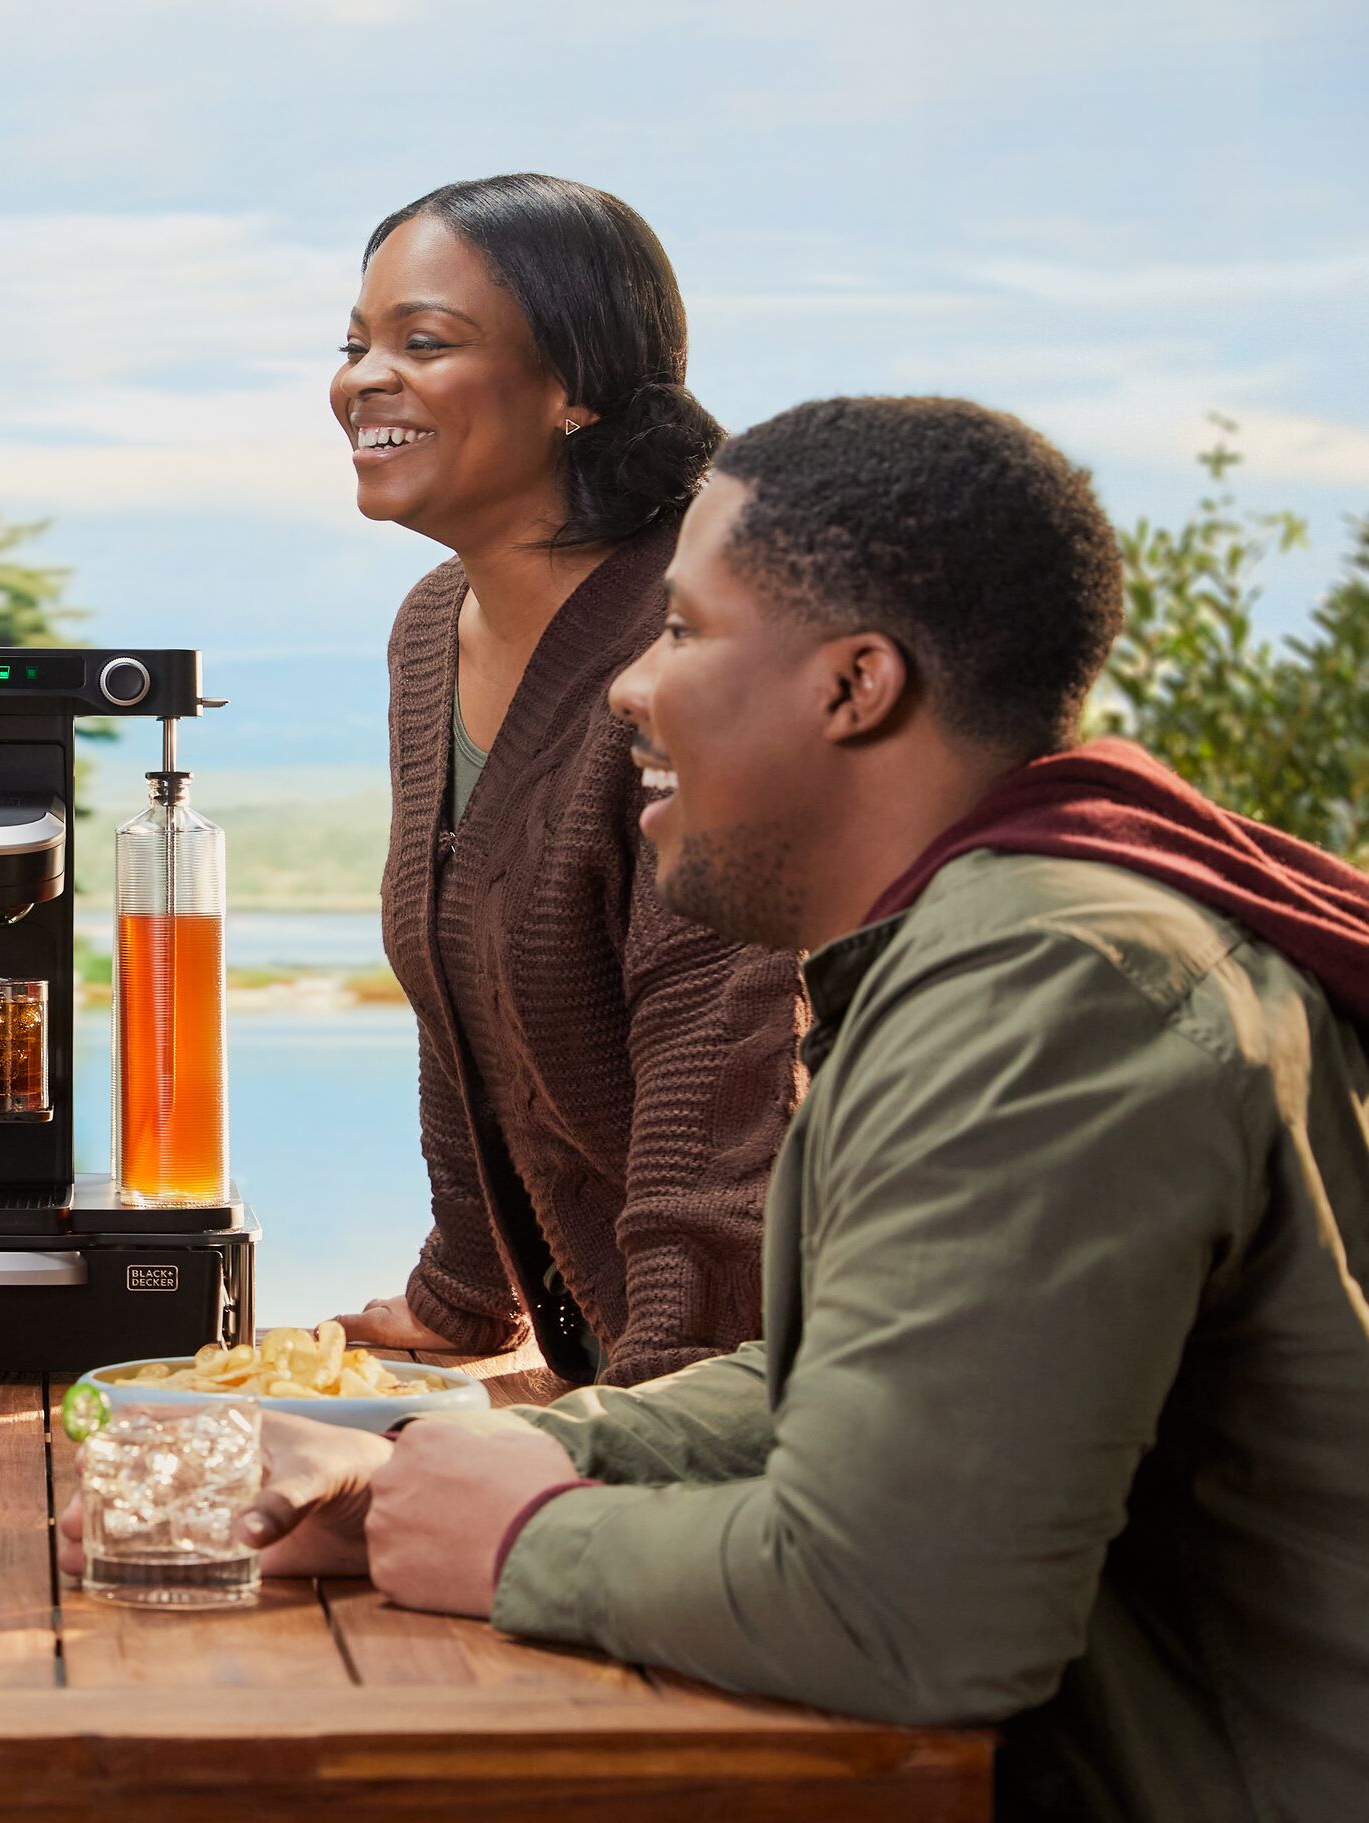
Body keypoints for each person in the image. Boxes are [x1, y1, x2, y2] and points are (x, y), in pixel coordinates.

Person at [142, 398, 1369, 1818]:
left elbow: (904, 1608)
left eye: (682, 631)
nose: (624, 687)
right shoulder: (1014, 935)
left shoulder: (1044, 987)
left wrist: (525, 1536)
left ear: (856, 685)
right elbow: (839, 1374)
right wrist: (465, 1454)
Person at [328, 173, 806, 1385]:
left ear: (573, 389)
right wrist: (466, 1287)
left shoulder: (700, 643)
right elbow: (458, 977)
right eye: (355, 343)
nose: (362, 381)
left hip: (766, 1384)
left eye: (423, 342)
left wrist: (646, 1410)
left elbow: (731, 1054)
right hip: (603, 1370)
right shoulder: (434, 626)